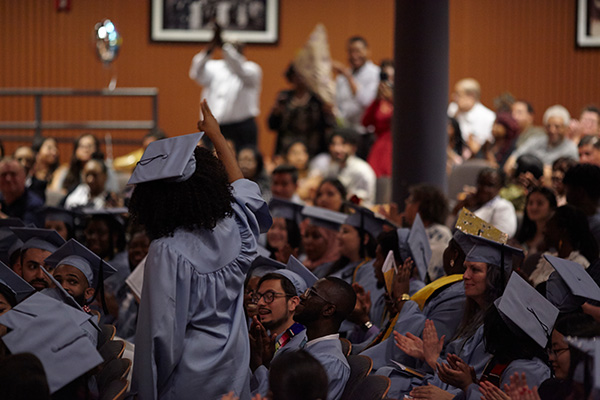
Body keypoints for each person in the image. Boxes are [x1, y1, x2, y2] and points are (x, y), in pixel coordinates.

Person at [129, 100, 272, 400]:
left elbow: (160, 336)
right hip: (232, 370)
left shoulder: (166, 250)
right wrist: (216, 136)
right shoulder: (234, 229)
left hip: (188, 380)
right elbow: (245, 191)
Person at [189, 24, 262, 150]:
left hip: (242, 127)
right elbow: (196, 72)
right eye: (228, 46)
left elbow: (238, 67)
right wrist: (211, 47)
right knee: (210, 162)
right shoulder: (214, 67)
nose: (231, 51)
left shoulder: (251, 69)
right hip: (216, 126)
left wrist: (224, 45)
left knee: (244, 162)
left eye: (235, 47)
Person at [293, 277, 355, 400]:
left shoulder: (329, 363)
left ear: (328, 310)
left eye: (311, 293)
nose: (302, 296)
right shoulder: (308, 345)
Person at [268, 64, 335, 157]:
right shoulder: (284, 97)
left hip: (313, 151)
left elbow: (329, 124)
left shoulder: (318, 99)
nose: (300, 79)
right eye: (297, 75)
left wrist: (329, 113)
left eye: (303, 75)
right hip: (286, 150)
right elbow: (271, 125)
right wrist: (276, 113)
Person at [529, 205, 599, 289]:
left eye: (548, 226)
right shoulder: (546, 259)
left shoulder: (578, 264)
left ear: (562, 231)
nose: (544, 231)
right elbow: (532, 286)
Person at [309, 129, 376, 206]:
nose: (337, 149)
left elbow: (358, 202)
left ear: (353, 147)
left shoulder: (361, 170)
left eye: (343, 144)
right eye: (334, 144)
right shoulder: (333, 167)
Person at [504, 105, 579, 174]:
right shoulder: (535, 141)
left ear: (566, 128)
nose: (552, 130)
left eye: (557, 126)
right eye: (548, 126)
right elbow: (514, 157)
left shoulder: (571, 149)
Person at [402, 184, 452, 282]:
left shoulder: (440, 234)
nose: (406, 205)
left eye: (409, 201)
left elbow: (425, 275)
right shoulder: (421, 232)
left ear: (419, 206)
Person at [46, 238, 116, 307]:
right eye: (57, 281)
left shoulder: (89, 318)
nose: (63, 286)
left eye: (73, 281)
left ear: (88, 293)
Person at [333, 36, 380, 139]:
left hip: (364, 133)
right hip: (345, 131)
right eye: (350, 52)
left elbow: (366, 102)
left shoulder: (376, 73)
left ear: (368, 51)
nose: (354, 55)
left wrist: (348, 77)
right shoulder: (341, 78)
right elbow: (338, 103)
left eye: (358, 51)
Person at [451, 168, 517, 237]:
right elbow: (449, 228)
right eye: (481, 183)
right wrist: (458, 208)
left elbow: (501, 236)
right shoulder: (470, 203)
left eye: (490, 185)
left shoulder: (504, 206)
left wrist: (464, 221)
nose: (484, 189)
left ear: (499, 187)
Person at [362, 59, 394, 177]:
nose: (388, 82)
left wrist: (392, 99)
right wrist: (376, 99)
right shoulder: (379, 101)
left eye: (392, 77)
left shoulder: (403, 99)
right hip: (379, 147)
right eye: (385, 77)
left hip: (396, 146)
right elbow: (365, 122)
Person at [447, 78, 496, 155]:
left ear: (471, 96)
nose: (454, 98)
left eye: (458, 95)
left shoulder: (488, 116)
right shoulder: (453, 109)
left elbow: (480, 146)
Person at [11, 227, 65, 292]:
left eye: (49, 268)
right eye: (33, 267)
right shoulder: (7, 301)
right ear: (19, 269)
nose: (40, 276)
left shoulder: (65, 302)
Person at [563, 163, 600, 247]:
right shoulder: (573, 218)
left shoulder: (595, 227)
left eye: (567, 190)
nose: (566, 197)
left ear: (580, 192)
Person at [0, 157, 44, 227]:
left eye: (13, 174)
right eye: (3, 174)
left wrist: (1, 216)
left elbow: (28, 233)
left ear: (24, 177)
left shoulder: (35, 204)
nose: (8, 179)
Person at [514, 187, 557, 256]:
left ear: (552, 208)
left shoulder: (555, 238)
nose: (534, 207)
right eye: (530, 203)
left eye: (540, 203)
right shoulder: (524, 232)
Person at [28, 137, 59, 202]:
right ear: (37, 152)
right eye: (49, 148)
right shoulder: (29, 170)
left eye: (55, 148)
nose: (55, 152)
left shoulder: (59, 172)